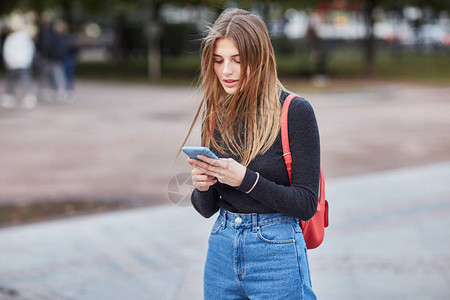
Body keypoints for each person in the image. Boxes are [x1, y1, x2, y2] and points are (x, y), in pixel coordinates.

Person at [181, 8, 320, 300]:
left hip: (276, 252)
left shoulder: (294, 111)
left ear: (259, 59)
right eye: (218, 61)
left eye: (237, 60)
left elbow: (306, 203)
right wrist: (203, 186)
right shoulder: (217, 113)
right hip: (222, 245)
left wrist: (245, 179)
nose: (226, 71)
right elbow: (207, 208)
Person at [1, 18, 36, 109]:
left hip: (15, 63)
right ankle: (28, 97)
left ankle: (10, 96)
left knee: (13, 80)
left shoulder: (11, 38)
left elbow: (7, 51)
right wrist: (28, 60)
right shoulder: (25, 37)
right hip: (22, 62)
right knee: (24, 80)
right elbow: (31, 49)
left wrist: (8, 60)